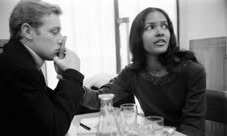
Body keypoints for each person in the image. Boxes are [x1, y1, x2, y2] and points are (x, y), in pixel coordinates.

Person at [82, 7, 206, 136]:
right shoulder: (132, 72)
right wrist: (70, 78)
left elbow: (193, 129)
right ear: (138, 37)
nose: (160, 32)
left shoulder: (192, 71)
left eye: (165, 26)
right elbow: (99, 100)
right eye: (150, 27)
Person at [0, 0, 85, 136]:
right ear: (27, 31)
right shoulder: (19, 69)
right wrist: (73, 75)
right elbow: (55, 129)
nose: (60, 39)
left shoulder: (16, 61)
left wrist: (66, 78)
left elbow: (50, 112)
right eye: (54, 32)